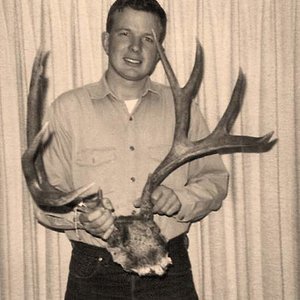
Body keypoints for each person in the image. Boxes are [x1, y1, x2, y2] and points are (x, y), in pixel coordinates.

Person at [35, 0, 229, 299]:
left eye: (148, 39)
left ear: (160, 50)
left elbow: (214, 180)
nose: (135, 47)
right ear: (106, 39)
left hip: (168, 268)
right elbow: (45, 198)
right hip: (95, 270)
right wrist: (81, 217)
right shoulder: (67, 110)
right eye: (125, 33)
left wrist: (180, 199)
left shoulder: (184, 110)